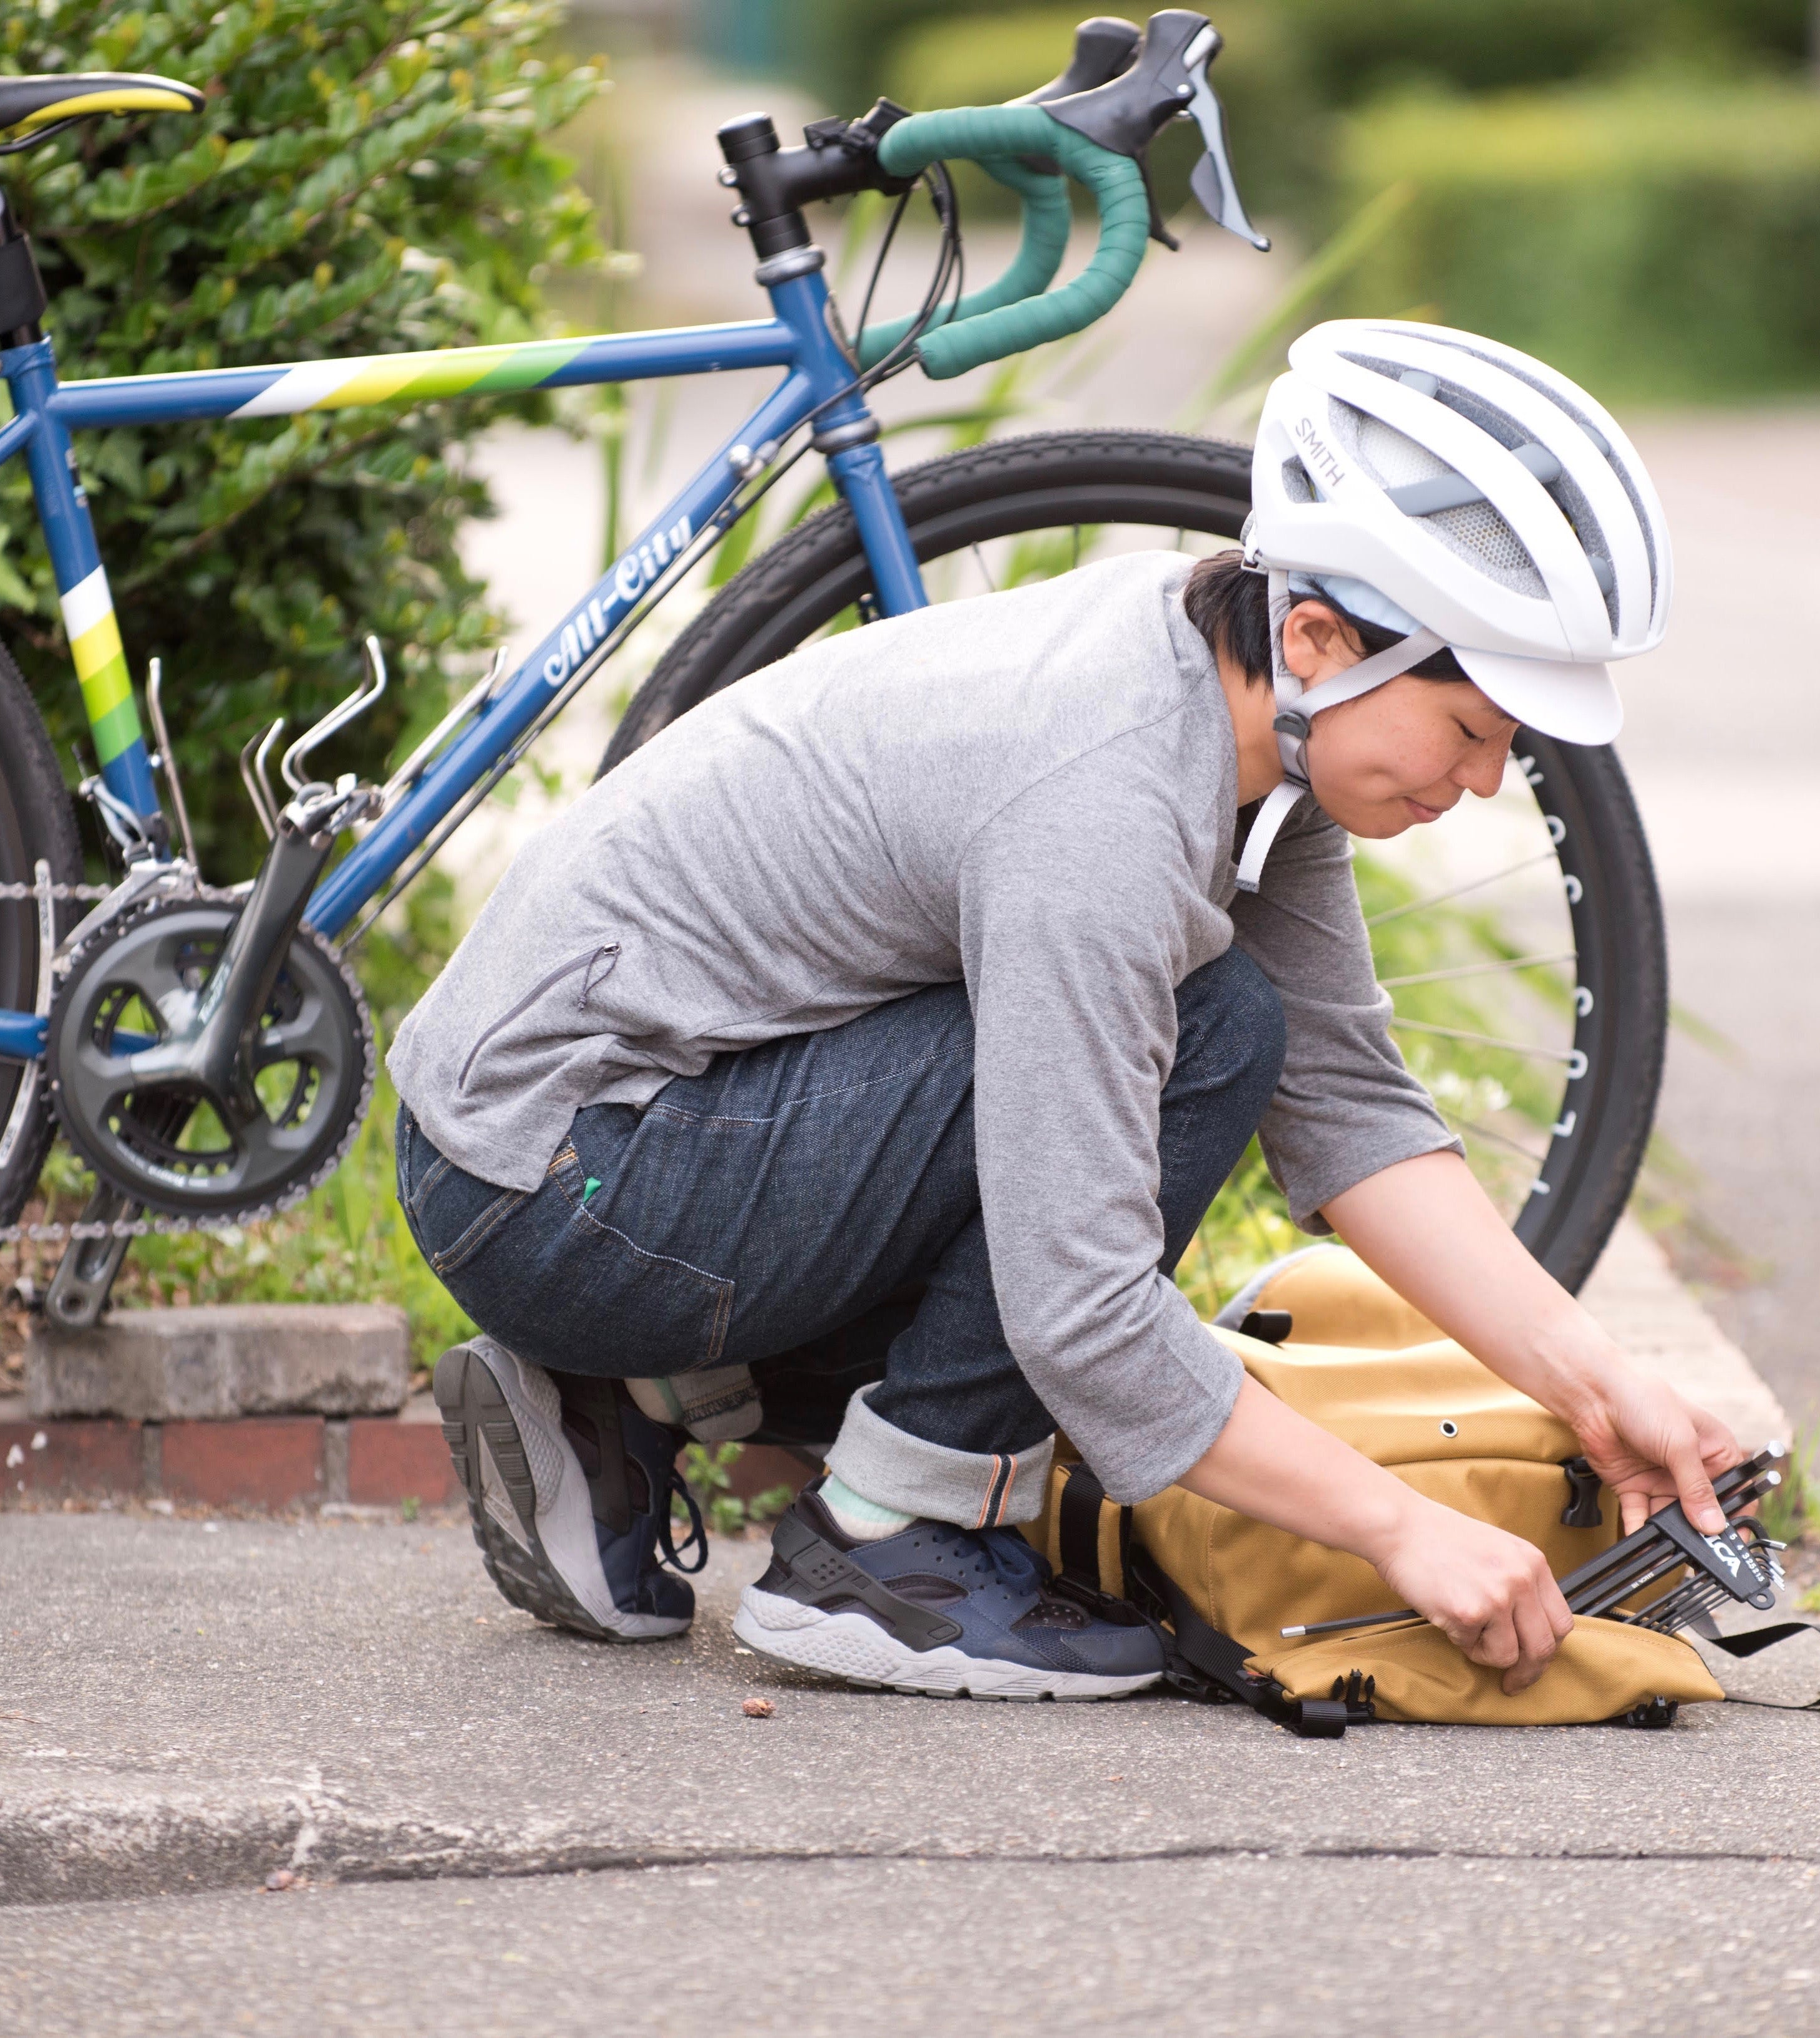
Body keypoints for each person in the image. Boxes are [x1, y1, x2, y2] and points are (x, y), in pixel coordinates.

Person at [391, 319, 1738, 1702]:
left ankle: (625, 1403)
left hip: (587, 1140)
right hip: (559, 1181)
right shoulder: (1101, 806)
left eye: (1504, 750)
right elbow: (1078, 1312)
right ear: (1325, 637)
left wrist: (1592, 1385)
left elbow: (1349, 1110)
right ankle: (888, 1545)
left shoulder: (1240, 698)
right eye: (1467, 732)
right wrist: (1405, 1529)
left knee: (1225, 1029)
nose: (1478, 781)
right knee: (1206, 1036)